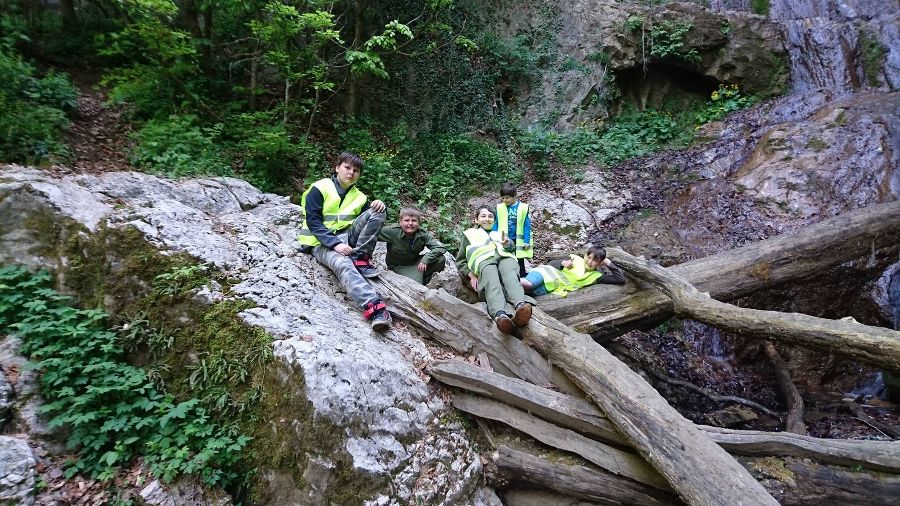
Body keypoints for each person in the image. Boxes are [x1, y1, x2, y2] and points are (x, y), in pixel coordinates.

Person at [298, 152, 392, 331]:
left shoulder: (359, 196)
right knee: (342, 264)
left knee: (378, 211)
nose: (351, 173)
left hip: (346, 236)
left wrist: (378, 204)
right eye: (347, 167)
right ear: (337, 168)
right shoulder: (320, 188)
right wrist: (335, 244)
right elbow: (313, 221)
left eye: (356, 170)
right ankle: (375, 309)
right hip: (319, 242)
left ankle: (361, 257)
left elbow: (367, 218)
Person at [456, 206, 534, 334]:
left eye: (490, 216)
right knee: (491, 281)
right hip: (485, 262)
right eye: (483, 216)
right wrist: (471, 275)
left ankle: (521, 306)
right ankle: (500, 315)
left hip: (505, 258)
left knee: (510, 275)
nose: (487, 218)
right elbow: (460, 261)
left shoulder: (500, 233)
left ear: (494, 220)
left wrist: (507, 244)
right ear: (476, 220)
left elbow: (512, 249)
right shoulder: (469, 234)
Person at [521, 245, 625, 297]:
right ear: (585, 255)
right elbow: (550, 264)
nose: (590, 262)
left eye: (595, 260)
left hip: (550, 287)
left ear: (600, 263)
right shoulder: (574, 258)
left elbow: (619, 279)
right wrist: (562, 263)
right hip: (542, 274)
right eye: (589, 257)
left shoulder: (596, 276)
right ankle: (508, 278)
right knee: (529, 284)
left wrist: (607, 262)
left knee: (527, 292)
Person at [378, 207, 447, 285]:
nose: (410, 223)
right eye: (406, 220)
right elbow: (372, 234)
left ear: (418, 223)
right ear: (400, 222)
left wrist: (426, 259)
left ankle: (424, 281)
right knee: (415, 284)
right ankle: (419, 280)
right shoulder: (392, 231)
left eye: (414, 220)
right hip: (398, 266)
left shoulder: (422, 234)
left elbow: (441, 247)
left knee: (440, 259)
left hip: (415, 262)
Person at [493, 182, 532, 278]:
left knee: (520, 259)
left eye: (507, 198)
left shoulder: (522, 208)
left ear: (514, 195)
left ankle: (522, 276)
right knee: (505, 257)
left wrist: (526, 241)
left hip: (518, 239)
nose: (504, 200)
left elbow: (526, 226)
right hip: (505, 239)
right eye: (502, 198)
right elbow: (496, 223)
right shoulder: (501, 208)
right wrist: (493, 236)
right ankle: (507, 276)